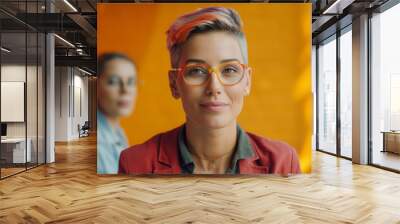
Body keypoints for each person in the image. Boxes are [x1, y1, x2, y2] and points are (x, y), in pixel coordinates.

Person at [119, 7, 301, 175]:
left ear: (247, 81)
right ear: (174, 84)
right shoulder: (135, 163)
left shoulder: (284, 162)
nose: (214, 87)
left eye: (229, 70)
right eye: (196, 71)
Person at [97, 52, 137, 174]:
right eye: (113, 81)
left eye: (131, 82)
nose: (125, 90)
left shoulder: (118, 131)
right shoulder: (98, 143)